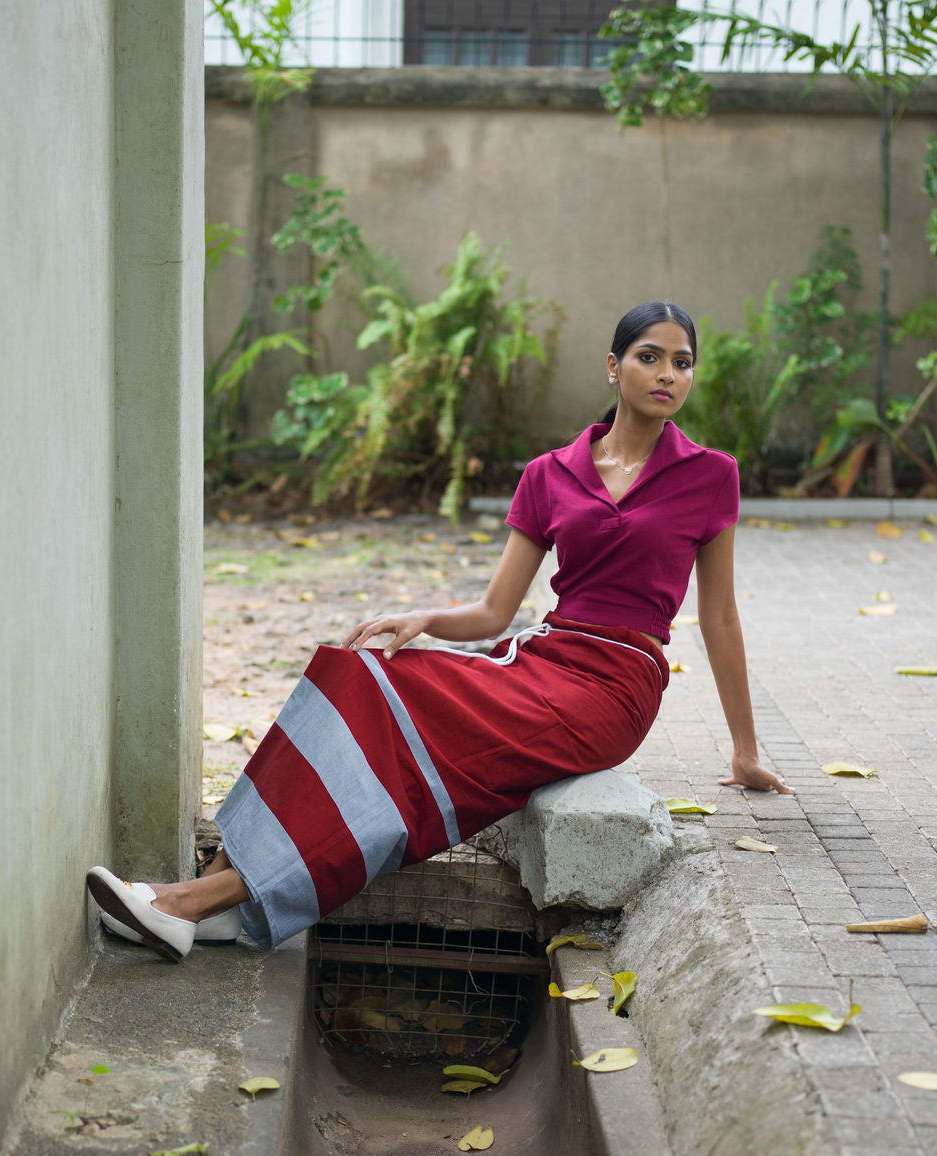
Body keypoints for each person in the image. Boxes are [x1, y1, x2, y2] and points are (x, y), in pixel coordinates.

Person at [87, 300, 792, 962]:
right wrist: (424, 619)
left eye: (683, 361)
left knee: (428, 755)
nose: (669, 374)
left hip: (613, 690)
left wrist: (745, 750)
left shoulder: (709, 475)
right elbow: (493, 611)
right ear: (613, 366)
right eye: (650, 356)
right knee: (356, 673)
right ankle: (217, 892)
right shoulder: (551, 474)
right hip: (542, 656)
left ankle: (188, 901)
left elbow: (720, 618)